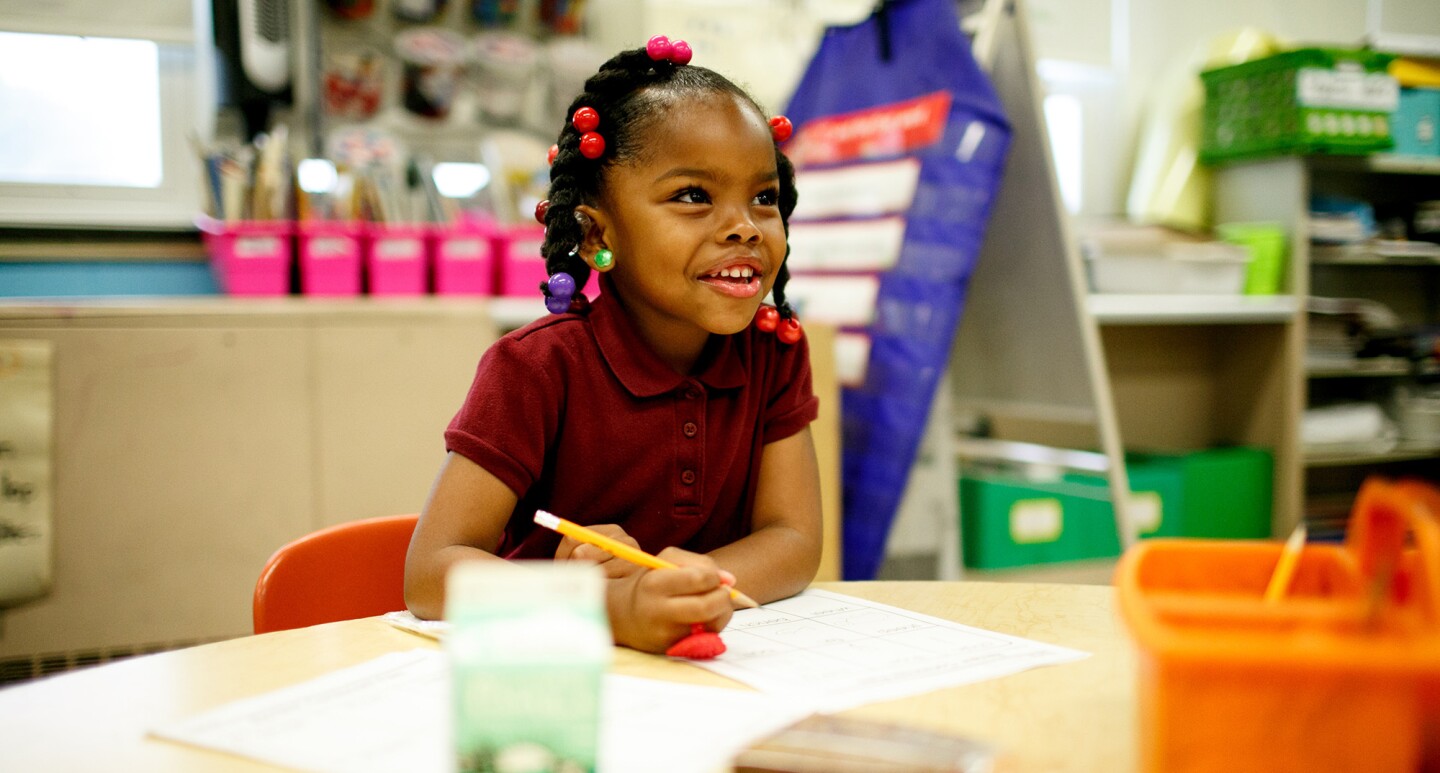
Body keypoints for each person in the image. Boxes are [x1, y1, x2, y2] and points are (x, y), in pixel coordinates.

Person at [404, 35, 823, 654]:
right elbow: (431, 573)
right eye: (693, 196)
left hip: (710, 676)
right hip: (554, 675)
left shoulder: (775, 350)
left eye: (764, 197)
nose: (744, 226)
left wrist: (684, 587)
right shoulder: (535, 368)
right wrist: (605, 607)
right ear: (597, 233)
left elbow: (793, 539)